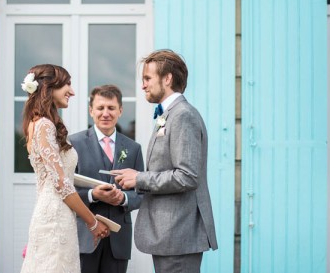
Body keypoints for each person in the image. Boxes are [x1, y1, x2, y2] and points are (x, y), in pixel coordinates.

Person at [112, 50, 218, 273]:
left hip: (178, 234)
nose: (143, 85)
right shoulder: (169, 114)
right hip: (170, 236)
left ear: (167, 78)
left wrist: (139, 178)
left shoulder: (182, 115)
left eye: (147, 78)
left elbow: (187, 176)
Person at [20, 64, 110, 273]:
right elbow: (62, 184)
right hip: (55, 219)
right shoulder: (44, 125)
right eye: (67, 84)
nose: (72, 91)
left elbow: (59, 177)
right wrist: (93, 222)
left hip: (56, 213)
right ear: (48, 87)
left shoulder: (42, 123)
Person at [69, 85, 144, 273]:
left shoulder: (133, 148)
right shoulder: (74, 143)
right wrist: (93, 195)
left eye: (111, 108)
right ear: (91, 111)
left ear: (120, 110)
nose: (105, 113)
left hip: (118, 239)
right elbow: (65, 190)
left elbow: (141, 193)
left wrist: (124, 198)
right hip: (85, 234)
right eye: (100, 108)